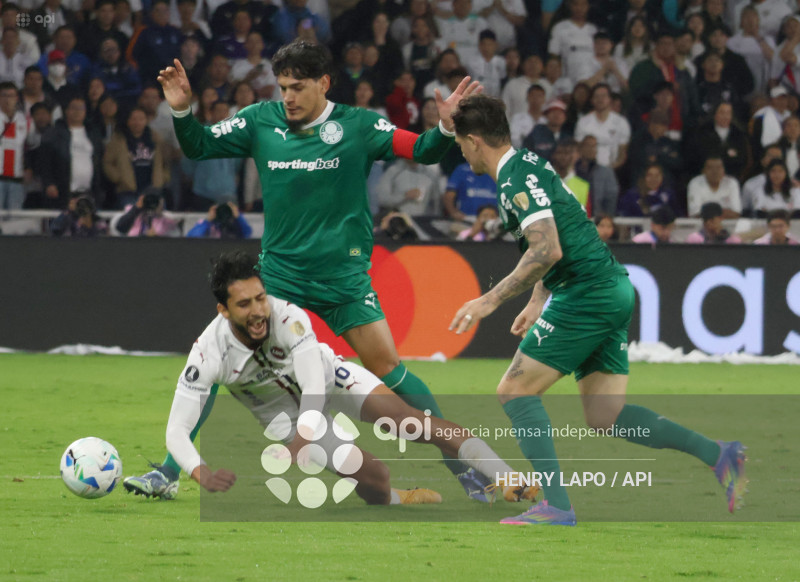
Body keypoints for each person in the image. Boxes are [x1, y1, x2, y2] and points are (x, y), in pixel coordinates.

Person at [124, 39, 494, 500]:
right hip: (279, 279)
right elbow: (198, 146)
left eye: (298, 87)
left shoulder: (358, 125)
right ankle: (168, 472)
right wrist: (182, 111)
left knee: (388, 367)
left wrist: (442, 125)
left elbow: (422, 150)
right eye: (282, 88)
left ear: (323, 83)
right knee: (218, 356)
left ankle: (459, 465)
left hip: (344, 277)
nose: (289, 98)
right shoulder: (260, 121)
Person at [448, 93, 747, 525]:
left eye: (459, 143)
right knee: (606, 415)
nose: (460, 151)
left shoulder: (513, 181)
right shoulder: (529, 163)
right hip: (612, 286)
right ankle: (718, 454)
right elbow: (562, 233)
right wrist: (536, 300)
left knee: (514, 391)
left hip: (585, 292)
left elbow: (547, 248)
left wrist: (488, 300)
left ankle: (556, 506)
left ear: (474, 141)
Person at [125, 251, 538, 506]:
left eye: (260, 297)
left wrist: (307, 433)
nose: (258, 311)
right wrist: (200, 471)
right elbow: (176, 429)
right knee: (375, 480)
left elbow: (314, 382)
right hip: (283, 418)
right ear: (223, 310)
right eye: (244, 304)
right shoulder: (207, 353)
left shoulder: (288, 316)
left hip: (328, 379)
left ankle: (506, 477)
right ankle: (397, 499)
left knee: (415, 423)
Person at [186, 202, 252, 238]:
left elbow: (247, 233)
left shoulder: (237, 224)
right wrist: (208, 220)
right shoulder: (208, 224)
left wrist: (238, 217)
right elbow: (192, 237)